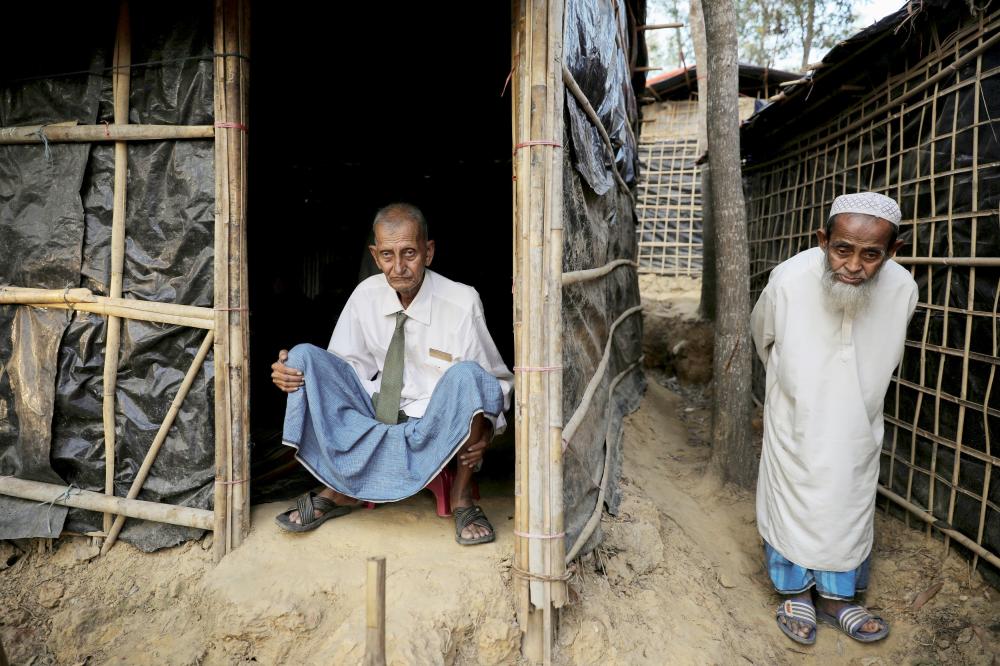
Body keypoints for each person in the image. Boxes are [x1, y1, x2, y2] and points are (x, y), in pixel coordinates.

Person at [270, 203, 513, 545]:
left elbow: (494, 384)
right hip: (377, 410)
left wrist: (486, 431)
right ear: (375, 254)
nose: (398, 267)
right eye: (387, 255)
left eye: (409, 253)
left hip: (435, 422)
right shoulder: (365, 295)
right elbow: (343, 370)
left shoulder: (462, 302)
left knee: (469, 377)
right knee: (303, 357)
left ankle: (461, 497)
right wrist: (295, 371)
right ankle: (339, 488)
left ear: (428, 252)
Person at [750, 192, 918, 645]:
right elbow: (762, 332)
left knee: (848, 501)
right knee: (794, 499)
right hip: (796, 418)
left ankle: (838, 599)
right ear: (824, 240)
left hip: (858, 425)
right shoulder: (789, 278)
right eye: (843, 249)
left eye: (871, 255)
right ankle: (796, 591)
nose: (854, 266)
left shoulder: (903, 288)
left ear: (892, 252)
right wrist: (795, 389)